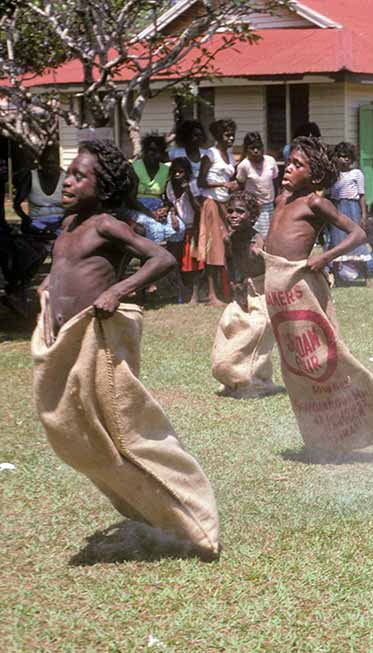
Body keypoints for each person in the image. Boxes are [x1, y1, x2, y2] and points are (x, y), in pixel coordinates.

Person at [31, 140, 219, 559]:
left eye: (81, 176)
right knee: (83, 435)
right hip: (70, 346)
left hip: (101, 343)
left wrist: (118, 289)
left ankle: (194, 520)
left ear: (105, 188)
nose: (69, 182)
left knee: (127, 432)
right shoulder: (66, 228)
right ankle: (151, 514)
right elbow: (64, 273)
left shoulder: (105, 225)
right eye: (70, 173)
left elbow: (160, 259)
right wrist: (47, 289)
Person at [262, 136, 373, 458]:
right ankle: (321, 438)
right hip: (277, 288)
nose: (289, 169)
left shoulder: (315, 203)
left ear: (316, 176)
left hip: (301, 288)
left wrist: (325, 258)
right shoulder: (281, 200)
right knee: (297, 367)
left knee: (323, 357)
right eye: (289, 162)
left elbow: (358, 233)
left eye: (298, 165)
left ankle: (366, 420)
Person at [211, 189, 278, 398]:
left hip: (264, 291)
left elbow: (272, 266)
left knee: (256, 332)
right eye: (230, 211)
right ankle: (231, 377)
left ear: (253, 216)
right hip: (245, 290)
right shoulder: (230, 239)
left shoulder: (257, 240)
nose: (233, 215)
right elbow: (230, 262)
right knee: (228, 325)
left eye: (240, 212)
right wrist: (234, 283)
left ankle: (255, 382)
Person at [195, 118, 238, 306]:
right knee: (213, 248)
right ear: (219, 135)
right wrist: (222, 184)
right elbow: (200, 182)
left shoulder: (229, 154)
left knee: (228, 245)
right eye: (227, 135)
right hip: (211, 203)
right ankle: (212, 295)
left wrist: (233, 185)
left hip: (224, 203)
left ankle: (226, 289)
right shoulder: (210, 155)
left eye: (232, 135)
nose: (231, 138)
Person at [325, 142, 368, 282]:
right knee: (338, 241)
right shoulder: (333, 175)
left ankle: (366, 277)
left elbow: (361, 195)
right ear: (336, 158)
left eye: (348, 157)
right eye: (342, 156)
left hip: (353, 208)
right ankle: (336, 277)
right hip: (337, 209)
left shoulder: (356, 173)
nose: (345, 160)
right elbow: (329, 195)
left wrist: (363, 214)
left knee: (357, 241)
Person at [165, 157, 201, 303]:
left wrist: (189, 191)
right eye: (175, 171)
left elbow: (198, 208)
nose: (177, 174)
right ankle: (181, 292)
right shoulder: (170, 186)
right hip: (179, 228)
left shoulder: (192, 184)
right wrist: (173, 216)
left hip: (194, 226)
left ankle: (195, 294)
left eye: (181, 171)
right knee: (179, 261)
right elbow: (171, 203)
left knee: (194, 262)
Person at [235, 132, 278, 237]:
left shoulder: (271, 161)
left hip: (269, 205)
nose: (256, 151)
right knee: (256, 237)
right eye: (252, 148)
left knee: (271, 235)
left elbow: (275, 181)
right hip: (253, 208)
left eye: (258, 147)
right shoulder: (244, 166)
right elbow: (240, 186)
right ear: (246, 150)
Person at [13, 145, 65, 233]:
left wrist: (63, 221)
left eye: (53, 162)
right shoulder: (31, 177)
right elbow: (16, 204)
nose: (50, 166)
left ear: (58, 163)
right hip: (36, 222)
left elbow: (75, 206)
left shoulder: (65, 178)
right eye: (47, 162)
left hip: (60, 223)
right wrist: (27, 220)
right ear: (41, 163)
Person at [132, 132, 170, 213]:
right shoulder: (134, 167)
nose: (153, 154)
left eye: (158, 151)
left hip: (158, 209)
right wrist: (150, 214)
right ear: (145, 151)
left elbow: (168, 199)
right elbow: (130, 198)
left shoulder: (166, 170)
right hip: (137, 209)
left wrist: (164, 210)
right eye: (151, 150)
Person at [168, 119, 207, 183]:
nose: (198, 138)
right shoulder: (175, 153)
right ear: (186, 136)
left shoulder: (207, 154)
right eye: (195, 135)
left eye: (200, 135)